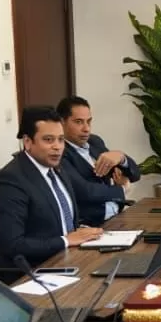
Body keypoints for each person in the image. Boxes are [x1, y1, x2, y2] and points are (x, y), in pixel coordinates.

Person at [0, 106, 103, 269]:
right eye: (48, 140)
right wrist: (65, 240)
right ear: (28, 142)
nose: (57, 147)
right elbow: (12, 244)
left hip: (69, 258)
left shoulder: (57, 169)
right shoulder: (11, 181)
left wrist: (85, 233)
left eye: (61, 139)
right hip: (34, 269)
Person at [57, 95, 141, 226]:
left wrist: (121, 157)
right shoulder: (59, 152)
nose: (86, 128)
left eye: (89, 121)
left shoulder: (94, 141)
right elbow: (86, 192)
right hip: (90, 224)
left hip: (117, 217)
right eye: (78, 122)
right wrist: (122, 188)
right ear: (62, 122)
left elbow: (135, 175)